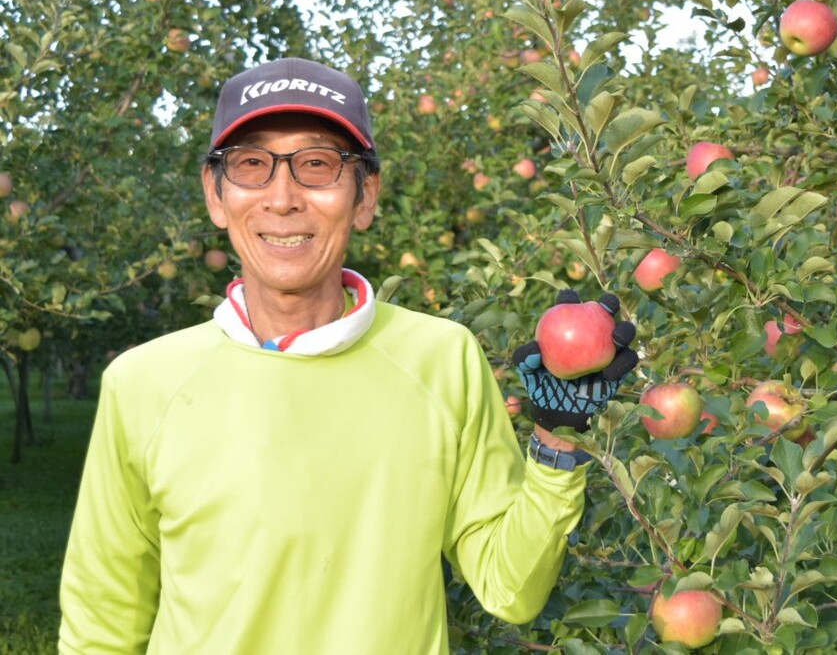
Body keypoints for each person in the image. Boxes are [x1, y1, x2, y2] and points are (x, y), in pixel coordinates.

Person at [58, 57, 637, 653]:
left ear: (365, 196)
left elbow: (510, 587)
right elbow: (102, 618)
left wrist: (558, 441)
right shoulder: (143, 382)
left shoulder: (442, 360)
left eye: (317, 165)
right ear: (216, 195)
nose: (282, 199)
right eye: (252, 165)